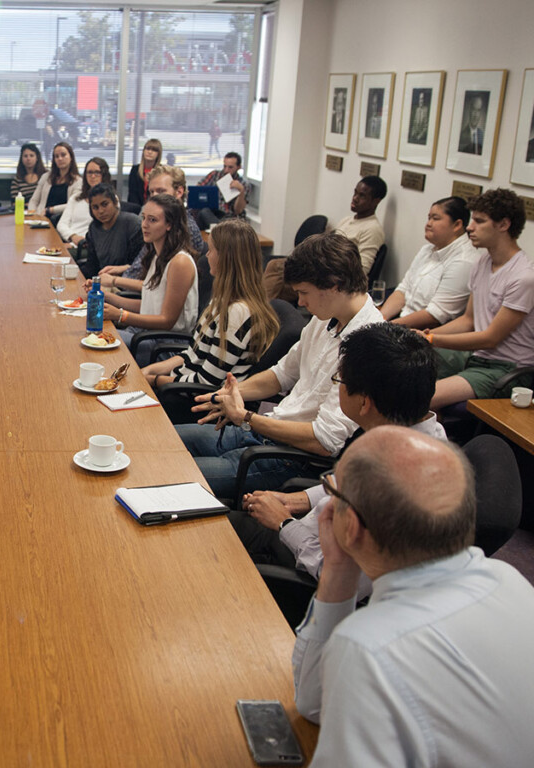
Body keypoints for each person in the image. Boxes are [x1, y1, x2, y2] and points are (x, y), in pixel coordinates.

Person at [291, 426, 534, 765]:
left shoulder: (369, 647)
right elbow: (313, 705)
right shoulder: (510, 580)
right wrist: (338, 568)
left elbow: (312, 703)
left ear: (353, 525)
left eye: (333, 490)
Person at [235, 323, 444, 590]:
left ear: (365, 403)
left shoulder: (402, 484)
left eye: (340, 381)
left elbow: (343, 578)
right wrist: (294, 500)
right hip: (306, 532)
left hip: (305, 575)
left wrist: (284, 524)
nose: (339, 388)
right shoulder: (411, 432)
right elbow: (350, 484)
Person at [177, 231, 382, 498]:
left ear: (334, 284)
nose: (301, 302)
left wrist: (247, 417)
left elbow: (324, 441)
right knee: (164, 443)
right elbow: (281, 374)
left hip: (291, 459)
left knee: (173, 473)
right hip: (266, 433)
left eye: (304, 293)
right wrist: (232, 393)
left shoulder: (369, 345)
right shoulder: (326, 316)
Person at [426, 188, 534, 409]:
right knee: (398, 368)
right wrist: (424, 336)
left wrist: (432, 339)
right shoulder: (482, 263)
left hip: (505, 369)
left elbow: (490, 338)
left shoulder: (524, 277)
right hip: (475, 358)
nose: (469, 227)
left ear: (503, 225)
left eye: (479, 221)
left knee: (420, 398)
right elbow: (468, 320)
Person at [141, 218, 278, 388]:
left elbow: (206, 382)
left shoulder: (236, 314)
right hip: (177, 384)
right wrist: (149, 371)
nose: (207, 255)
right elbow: (192, 355)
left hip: (187, 396)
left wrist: (154, 381)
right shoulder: (222, 299)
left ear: (225, 258)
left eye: (211, 250)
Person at [89, 194, 198, 352]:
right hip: (145, 334)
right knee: (90, 334)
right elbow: (149, 306)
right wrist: (108, 297)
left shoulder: (180, 262)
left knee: (92, 342)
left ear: (169, 224)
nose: (144, 225)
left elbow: (166, 320)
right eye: (144, 218)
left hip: (161, 344)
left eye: (152, 220)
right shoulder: (157, 255)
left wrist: (120, 315)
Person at [264, 176, 386, 301]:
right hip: (319, 268)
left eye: (362, 196)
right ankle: (261, 309)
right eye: (355, 192)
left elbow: (362, 269)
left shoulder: (372, 229)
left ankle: (259, 311)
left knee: (276, 276)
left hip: (331, 279)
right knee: (275, 268)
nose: (355, 198)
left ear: (376, 201)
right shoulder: (347, 220)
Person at [380, 196, 479, 328]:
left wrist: (385, 328)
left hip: (426, 332)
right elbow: (403, 291)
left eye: (436, 219)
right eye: (429, 218)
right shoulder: (426, 250)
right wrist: (380, 319)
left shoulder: (464, 261)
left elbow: (436, 314)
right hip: (399, 321)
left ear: (457, 225)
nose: (428, 224)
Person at [102, 165, 207, 281]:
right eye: (152, 192)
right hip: (130, 283)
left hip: (138, 292)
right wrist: (126, 268)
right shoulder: (159, 222)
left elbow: (158, 285)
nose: (154, 196)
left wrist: (115, 282)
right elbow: (149, 265)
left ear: (179, 192)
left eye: (161, 191)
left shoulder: (185, 229)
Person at [80, 183, 143, 276]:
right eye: (95, 207)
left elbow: (138, 265)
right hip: (101, 280)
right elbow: (92, 266)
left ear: (115, 202)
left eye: (105, 204)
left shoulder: (132, 224)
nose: (100, 211)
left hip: (127, 282)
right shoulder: (93, 228)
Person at [56, 157, 111, 246]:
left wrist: (77, 244)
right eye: (89, 172)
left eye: (97, 172)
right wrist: (73, 236)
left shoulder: (110, 200)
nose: (93, 176)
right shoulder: (76, 198)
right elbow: (62, 224)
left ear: (104, 175)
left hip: (89, 247)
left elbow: (103, 232)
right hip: (69, 241)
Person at [28, 142, 81, 218]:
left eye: (63, 155)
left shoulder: (78, 181)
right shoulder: (46, 177)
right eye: (56, 156)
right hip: (41, 219)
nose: (60, 158)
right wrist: (33, 216)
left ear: (71, 157)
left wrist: (51, 210)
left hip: (62, 220)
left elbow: (73, 205)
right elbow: (34, 201)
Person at [195, 151, 249, 225]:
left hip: (229, 216)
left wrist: (241, 191)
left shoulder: (243, 184)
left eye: (230, 167)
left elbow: (238, 210)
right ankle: (220, 229)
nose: (226, 170)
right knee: (203, 212)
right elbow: (197, 189)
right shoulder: (215, 175)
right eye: (224, 166)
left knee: (233, 221)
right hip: (212, 211)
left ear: (238, 167)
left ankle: (220, 229)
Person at [128, 138, 162, 206]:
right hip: (136, 208)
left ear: (158, 154)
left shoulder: (161, 171)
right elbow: (132, 194)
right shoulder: (135, 169)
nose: (150, 152)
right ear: (143, 151)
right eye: (147, 149)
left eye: (154, 150)